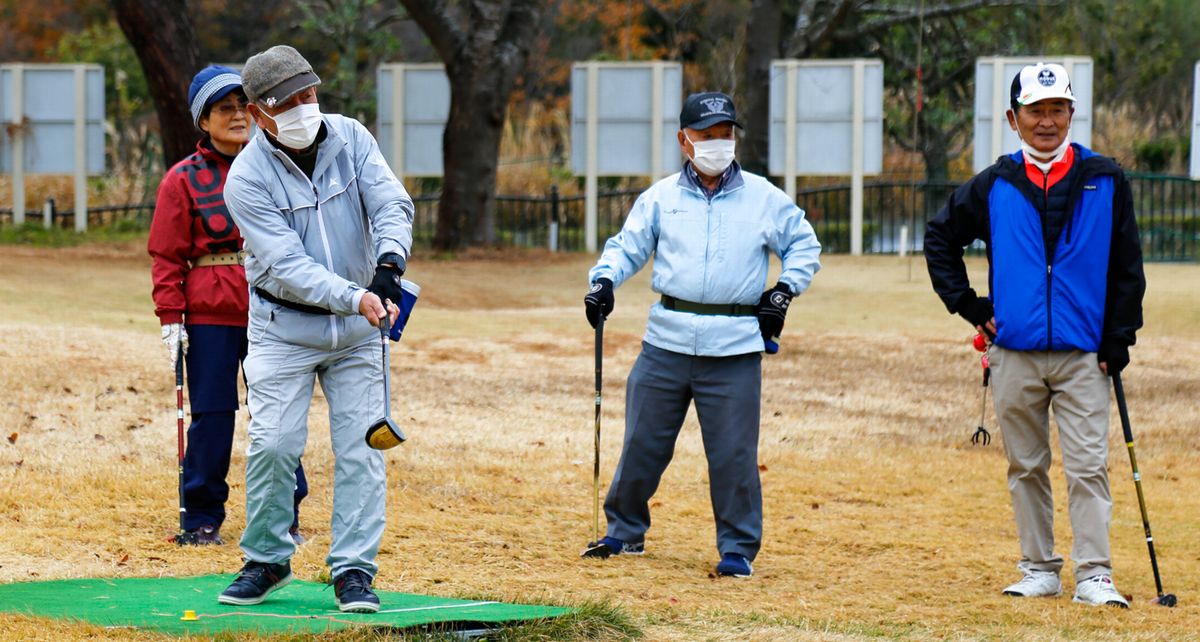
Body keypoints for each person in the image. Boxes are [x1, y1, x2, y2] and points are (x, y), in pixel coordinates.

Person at [924, 63, 1145, 607]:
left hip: (1084, 355)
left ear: (1071, 113)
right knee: (1025, 465)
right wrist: (970, 305)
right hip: (1014, 352)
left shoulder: (1106, 178)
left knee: (1089, 465)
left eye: (1056, 109)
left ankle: (1094, 574)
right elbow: (940, 238)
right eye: (1035, 111)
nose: (1046, 121)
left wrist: (1119, 338)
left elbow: (1127, 267)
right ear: (1013, 118)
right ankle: (1039, 567)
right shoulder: (996, 183)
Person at [581, 92, 822, 578]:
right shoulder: (661, 198)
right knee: (643, 443)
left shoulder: (764, 198)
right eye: (708, 135)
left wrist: (784, 290)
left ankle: (737, 548)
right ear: (684, 141)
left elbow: (803, 243)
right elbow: (626, 247)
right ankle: (624, 532)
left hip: (733, 346)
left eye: (726, 134)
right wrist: (603, 281)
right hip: (666, 340)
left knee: (733, 455)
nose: (718, 143)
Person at [216, 45, 414, 613]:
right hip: (283, 329)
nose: (307, 108)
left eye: (310, 95)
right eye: (289, 102)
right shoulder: (246, 179)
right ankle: (268, 559)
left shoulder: (350, 136)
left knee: (361, 449)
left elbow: (391, 203)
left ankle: (353, 569)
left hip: (357, 334)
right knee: (274, 445)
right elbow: (287, 267)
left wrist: (389, 265)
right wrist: (356, 296)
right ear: (258, 114)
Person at [148, 65, 308, 547]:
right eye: (225, 108)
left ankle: (283, 514)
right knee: (214, 416)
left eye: (244, 105)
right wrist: (170, 317)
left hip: (274, 308)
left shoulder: (282, 166)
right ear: (204, 119)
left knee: (277, 415)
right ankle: (201, 516)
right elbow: (166, 255)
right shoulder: (182, 180)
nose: (238, 115)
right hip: (210, 317)